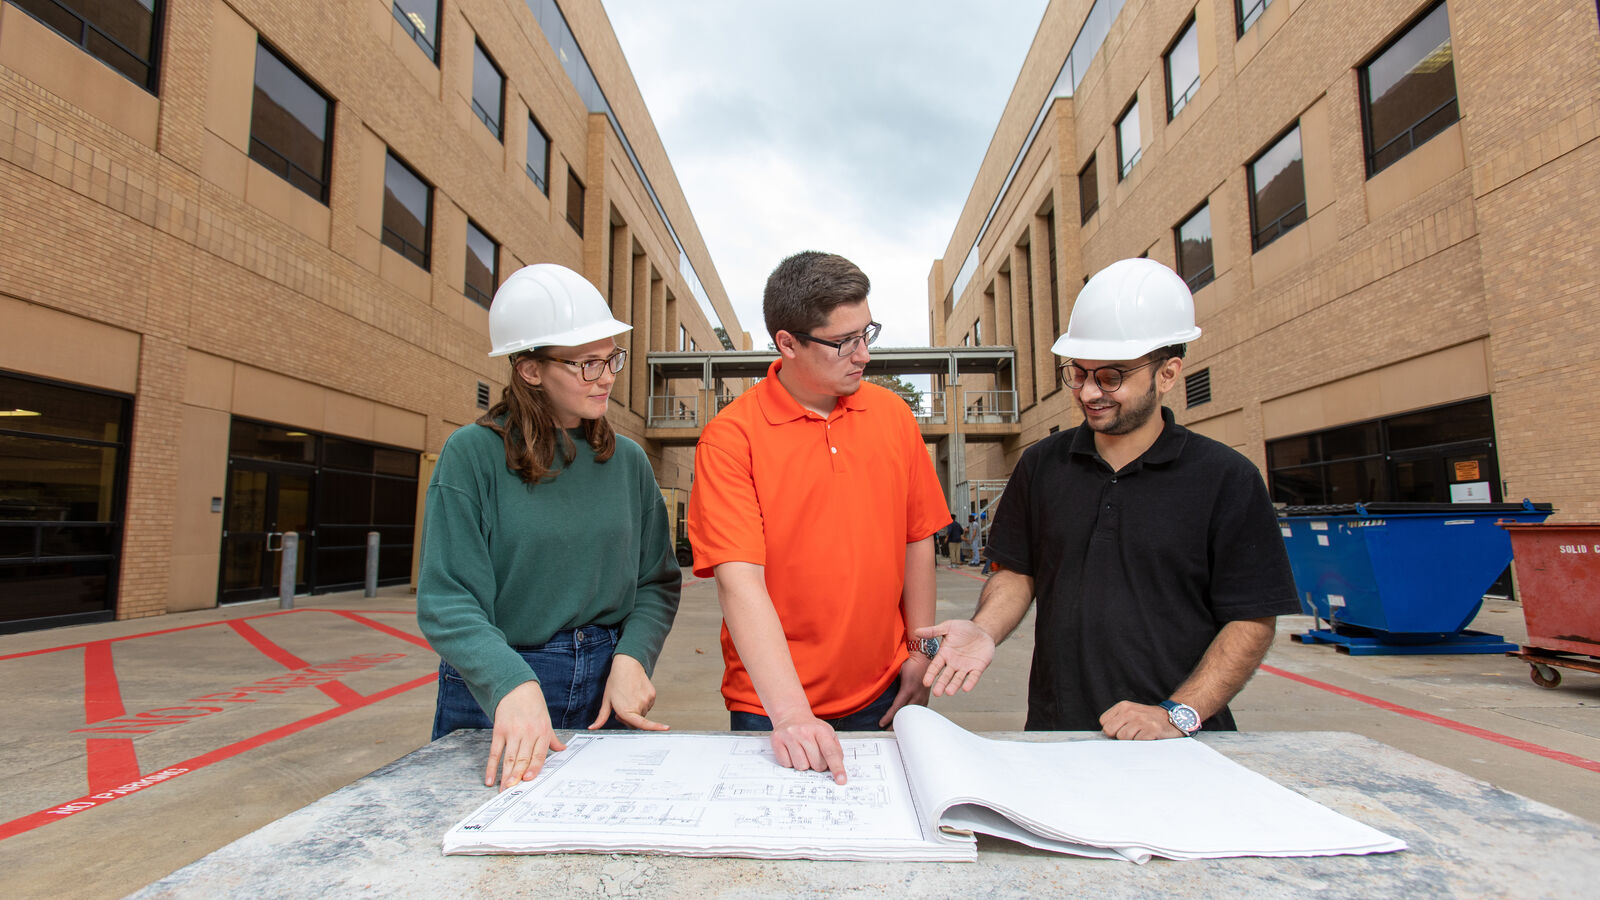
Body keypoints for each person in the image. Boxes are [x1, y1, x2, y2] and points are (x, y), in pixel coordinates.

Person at [918, 258, 1299, 739]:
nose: (1090, 392)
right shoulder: (1041, 466)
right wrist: (984, 629)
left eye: (1112, 377)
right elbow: (1018, 572)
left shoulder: (1226, 478)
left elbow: (1251, 619)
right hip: (1059, 734)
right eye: (1078, 374)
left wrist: (1176, 713)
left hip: (1183, 745)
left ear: (1168, 373)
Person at [687, 251, 949, 784]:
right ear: (787, 343)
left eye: (867, 332)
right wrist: (789, 714)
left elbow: (916, 537)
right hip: (772, 707)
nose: (864, 354)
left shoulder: (894, 416)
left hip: (886, 689)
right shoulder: (732, 438)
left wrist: (922, 653)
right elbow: (740, 584)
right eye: (843, 342)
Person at [418, 264, 681, 790]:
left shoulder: (629, 462)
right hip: (500, 685)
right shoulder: (472, 455)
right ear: (530, 369)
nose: (606, 377)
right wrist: (509, 682)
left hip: (607, 683)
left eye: (611, 358)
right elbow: (447, 600)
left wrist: (633, 657)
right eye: (586, 364)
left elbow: (657, 581)